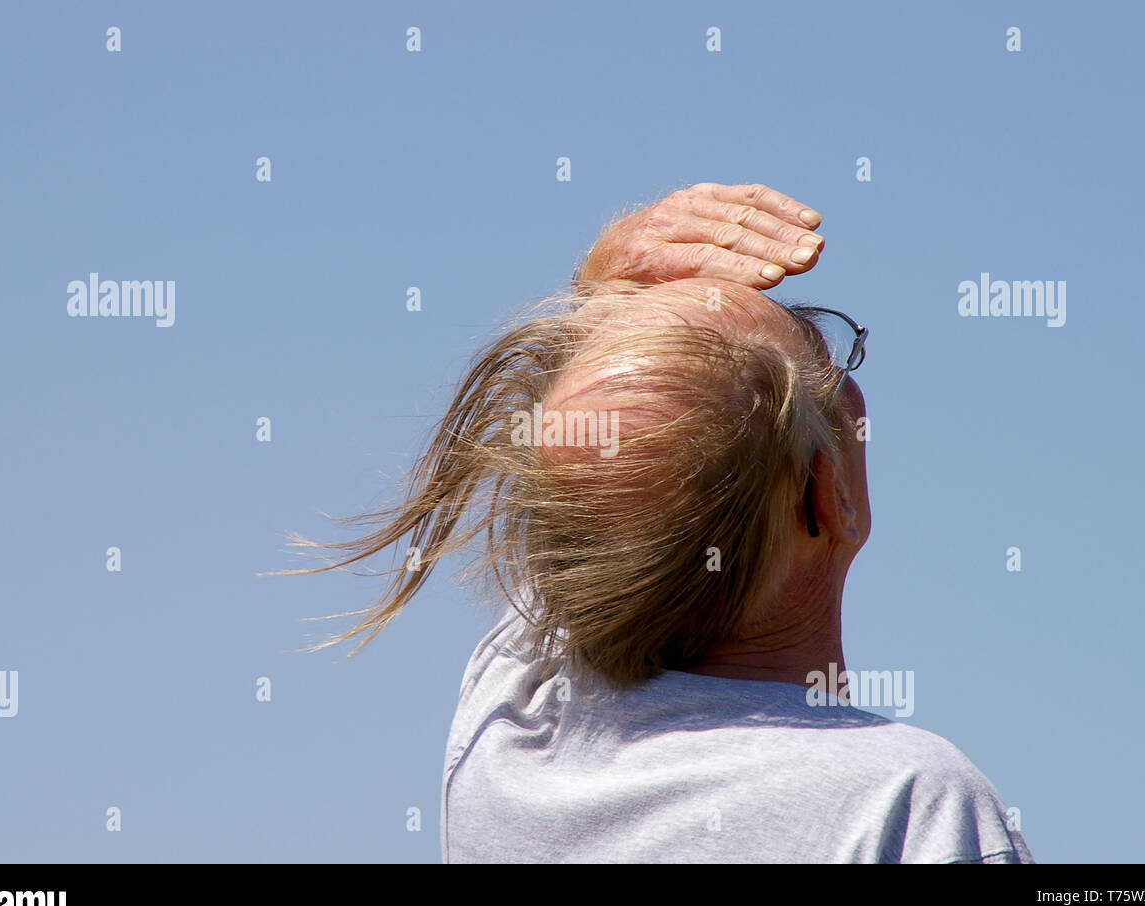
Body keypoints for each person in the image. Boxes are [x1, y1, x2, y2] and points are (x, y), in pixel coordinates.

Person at [288, 182, 1034, 863]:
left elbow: (586, 527)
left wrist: (594, 300)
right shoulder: (910, 809)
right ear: (825, 492)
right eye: (823, 348)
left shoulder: (508, 741)